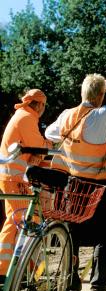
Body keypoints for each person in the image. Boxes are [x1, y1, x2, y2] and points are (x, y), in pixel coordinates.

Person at [45, 74, 106, 291]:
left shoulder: (67, 115)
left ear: (82, 93)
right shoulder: (102, 115)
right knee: (103, 238)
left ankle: (71, 290)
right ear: (100, 95)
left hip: (73, 187)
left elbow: (49, 134)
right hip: (100, 187)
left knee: (71, 237)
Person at [0, 89, 51, 280]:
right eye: (44, 105)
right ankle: (9, 271)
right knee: (19, 222)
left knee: (23, 222)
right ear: (38, 104)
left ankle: (27, 272)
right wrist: (50, 146)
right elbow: (38, 146)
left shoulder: (22, 116)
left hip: (13, 178)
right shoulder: (28, 118)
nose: (44, 110)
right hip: (15, 179)